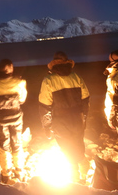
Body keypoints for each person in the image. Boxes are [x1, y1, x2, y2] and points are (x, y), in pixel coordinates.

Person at [38, 51, 91, 183]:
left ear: (53, 64)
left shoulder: (48, 81)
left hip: (61, 121)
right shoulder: (76, 77)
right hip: (78, 118)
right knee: (78, 143)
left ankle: (75, 179)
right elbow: (86, 99)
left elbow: (45, 106)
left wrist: (47, 126)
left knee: (67, 148)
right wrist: (83, 117)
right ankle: (83, 175)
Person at [0, 58, 27, 182]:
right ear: (11, 69)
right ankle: (19, 171)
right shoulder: (20, 82)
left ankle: (6, 174)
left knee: (4, 145)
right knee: (17, 143)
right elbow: (22, 99)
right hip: (16, 117)